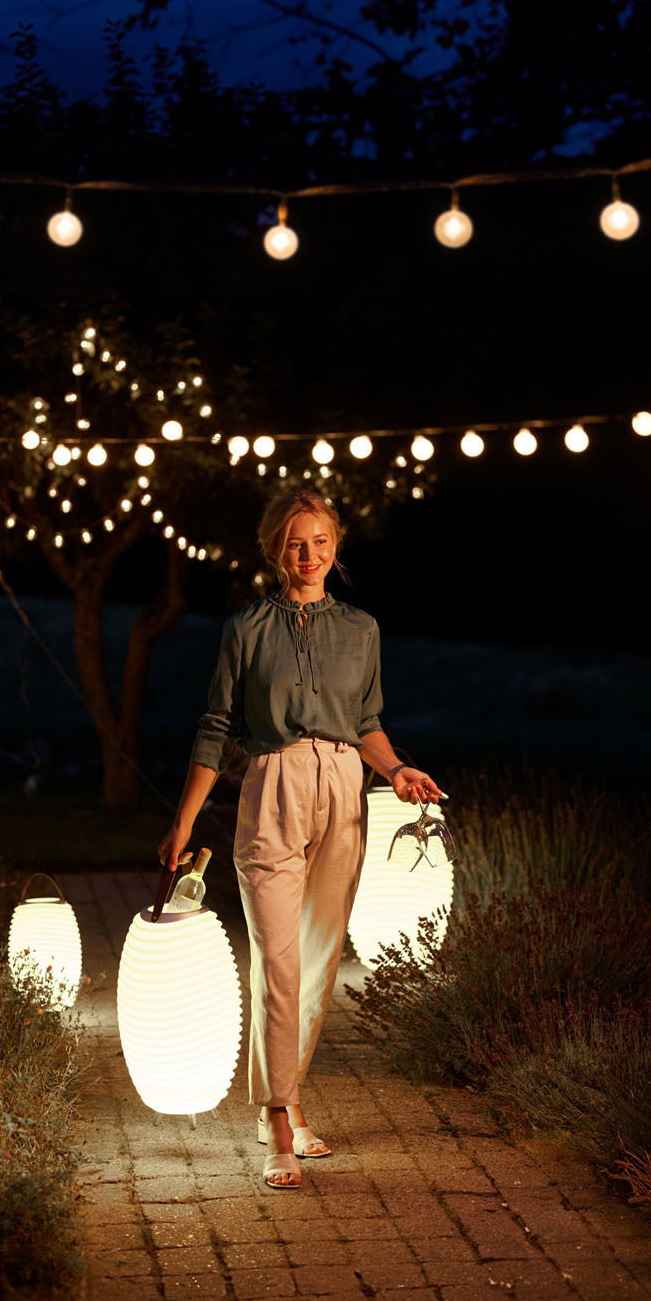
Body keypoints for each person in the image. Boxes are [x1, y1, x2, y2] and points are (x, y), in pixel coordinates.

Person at [158, 491, 443, 1189]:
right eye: (295, 543)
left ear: (335, 546)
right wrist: (185, 818)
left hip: (346, 790)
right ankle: (280, 1121)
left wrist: (399, 769)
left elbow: (367, 720)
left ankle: (282, 1099)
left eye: (319, 541)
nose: (309, 554)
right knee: (278, 961)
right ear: (274, 550)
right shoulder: (247, 629)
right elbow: (217, 726)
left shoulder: (362, 629)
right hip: (274, 789)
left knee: (316, 964)